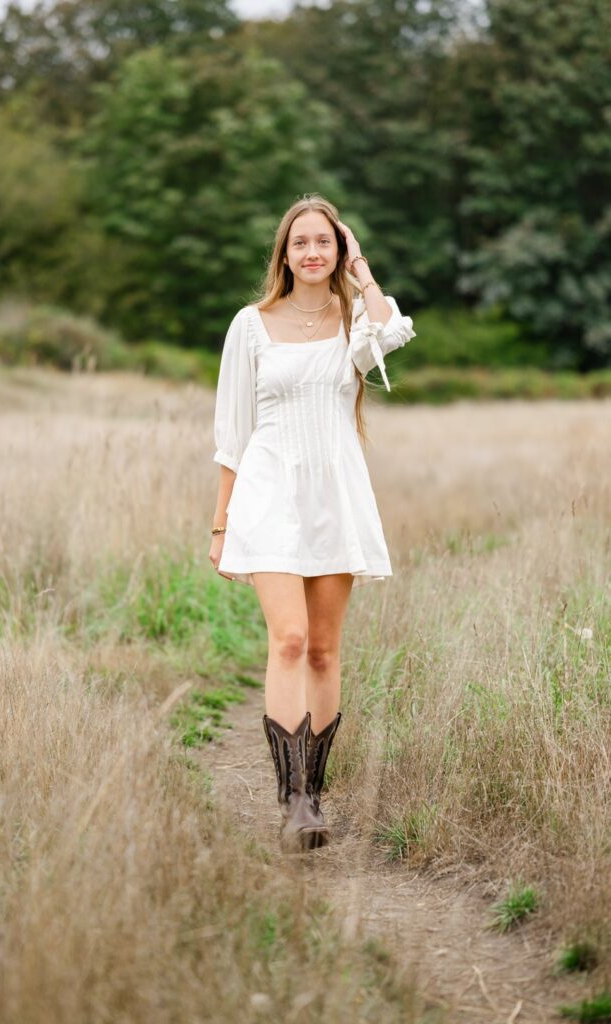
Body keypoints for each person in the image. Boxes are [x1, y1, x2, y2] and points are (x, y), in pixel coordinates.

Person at [208, 194, 416, 853]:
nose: (312, 252)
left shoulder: (354, 320)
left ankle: (316, 795)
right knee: (290, 639)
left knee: (325, 648)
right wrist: (221, 525)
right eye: (301, 242)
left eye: (325, 241)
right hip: (268, 494)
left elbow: (393, 329)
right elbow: (231, 433)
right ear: (284, 253)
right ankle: (294, 798)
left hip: (334, 493)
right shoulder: (250, 325)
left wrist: (364, 268)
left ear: (338, 249)